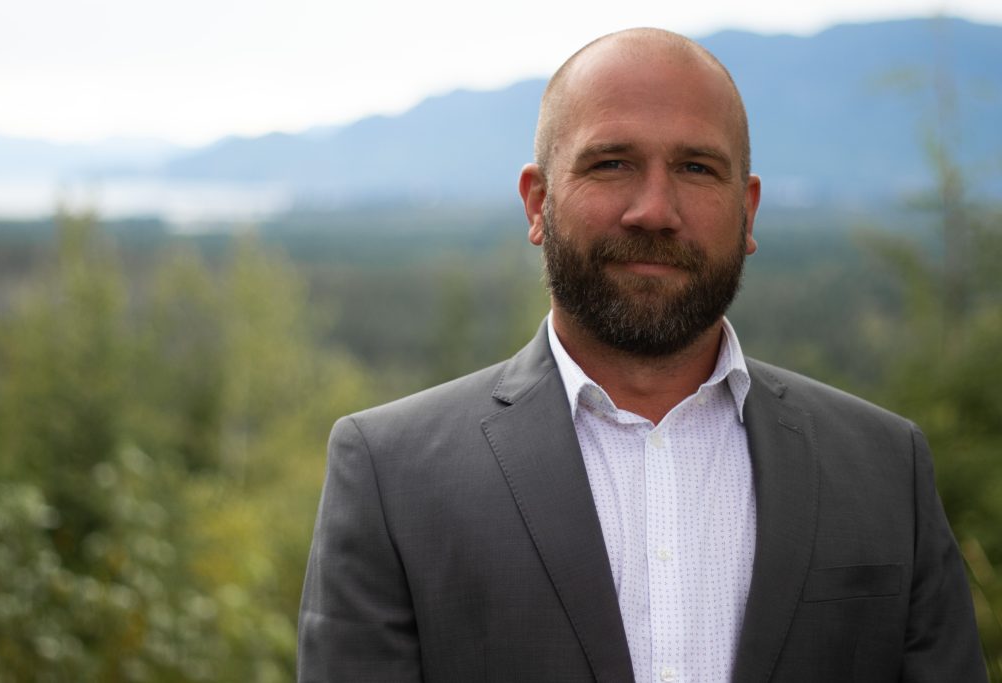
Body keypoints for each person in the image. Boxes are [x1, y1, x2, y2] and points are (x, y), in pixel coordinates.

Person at [297, 27, 987, 683]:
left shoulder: (885, 469)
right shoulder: (392, 475)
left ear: (747, 212)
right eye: (612, 163)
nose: (655, 209)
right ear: (538, 202)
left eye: (695, 167)